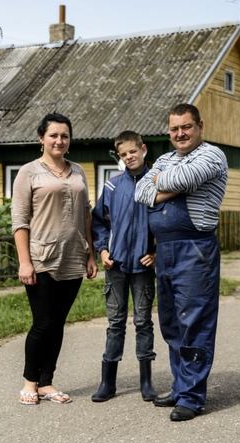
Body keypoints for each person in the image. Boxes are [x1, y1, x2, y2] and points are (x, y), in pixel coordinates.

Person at [135, 104, 228, 421]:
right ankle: (180, 386)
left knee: (195, 322)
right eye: (174, 129)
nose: (180, 134)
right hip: (166, 250)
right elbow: (140, 190)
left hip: (195, 248)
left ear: (200, 126)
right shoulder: (163, 159)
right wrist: (165, 186)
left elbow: (188, 176)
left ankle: (192, 397)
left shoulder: (212, 155)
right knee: (172, 323)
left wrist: (159, 183)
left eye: (186, 127)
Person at [12, 112, 98, 405]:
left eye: (64, 136)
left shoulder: (78, 171)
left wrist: (90, 253)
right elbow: (20, 220)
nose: (59, 140)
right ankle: (29, 382)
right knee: (44, 322)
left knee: (59, 322)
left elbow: (86, 213)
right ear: (41, 139)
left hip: (73, 257)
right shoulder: (29, 172)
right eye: (53, 135)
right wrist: (25, 261)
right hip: (42, 257)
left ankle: (46, 382)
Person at [90, 130, 158, 402]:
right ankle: (108, 382)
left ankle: (146, 381)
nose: (129, 157)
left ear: (143, 149)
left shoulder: (156, 183)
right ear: (119, 156)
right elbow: (98, 223)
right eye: (123, 154)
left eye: (133, 151)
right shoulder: (112, 186)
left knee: (143, 321)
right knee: (115, 322)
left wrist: (156, 252)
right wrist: (103, 249)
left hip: (143, 268)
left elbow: (166, 223)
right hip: (115, 266)